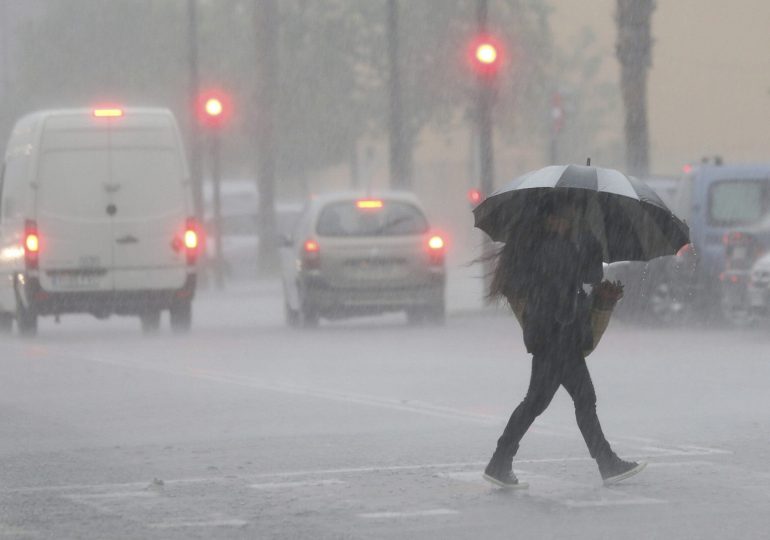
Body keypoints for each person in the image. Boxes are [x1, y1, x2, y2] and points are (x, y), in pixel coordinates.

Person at [483, 192, 646, 488]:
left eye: (571, 216)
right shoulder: (555, 249)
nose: (569, 220)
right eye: (566, 216)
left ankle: (500, 461)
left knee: (545, 402)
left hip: (552, 336)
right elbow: (588, 274)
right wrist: (587, 240)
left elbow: (581, 277)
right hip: (558, 337)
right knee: (572, 401)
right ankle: (606, 462)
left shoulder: (544, 247)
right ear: (551, 220)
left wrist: (582, 240)